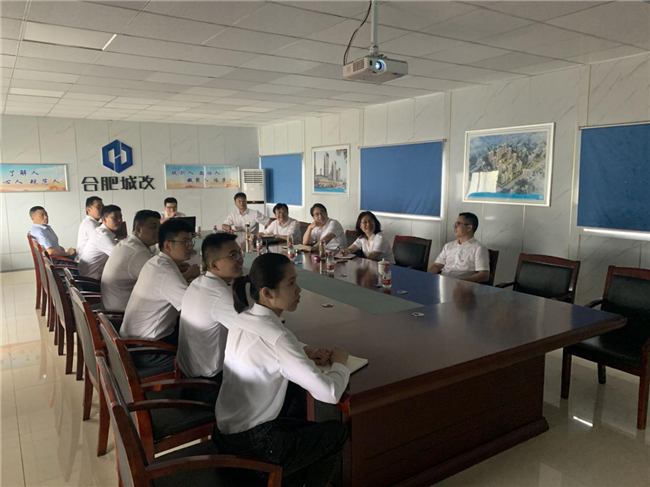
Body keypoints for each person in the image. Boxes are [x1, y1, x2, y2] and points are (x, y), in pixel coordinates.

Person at [214, 253, 350, 487]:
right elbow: (329, 393)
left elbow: (272, 346)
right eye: (291, 283)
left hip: (224, 436)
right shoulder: (278, 338)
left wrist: (304, 350)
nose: (299, 290)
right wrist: (340, 363)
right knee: (335, 434)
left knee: (296, 402)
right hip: (255, 446)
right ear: (267, 293)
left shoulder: (243, 319)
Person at [120, 219, 200, 346]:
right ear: (168, 245)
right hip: (147, 346)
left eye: (191, 241)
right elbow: (195, 309)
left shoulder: (156, 262)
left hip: (134, 336)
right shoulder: (167, 273)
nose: (190, 246)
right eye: (185, 242)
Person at [177, 233, 243, 383]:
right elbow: (251, 332)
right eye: (233, 255)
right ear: (214, 265)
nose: (240, 259)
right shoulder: (219, 295)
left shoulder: (199, 282)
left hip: (189, 369)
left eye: (239, 253)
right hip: (208, 380)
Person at [100, 210, 160, 312]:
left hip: (111, 306)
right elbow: (160, 283)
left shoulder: (127, 243)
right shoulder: (138, 252)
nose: (158, 232)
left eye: (159, 228)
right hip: (120, 313)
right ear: (138, 229)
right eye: (153, 227)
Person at [428, 212, 489, 283]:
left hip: (461, 286)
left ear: (469, 228)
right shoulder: (448, 246)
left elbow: (484, 275)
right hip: (443, 282)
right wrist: (428, 276)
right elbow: (437, 265)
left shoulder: (479, 248)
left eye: (458, 224)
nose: (455, 227)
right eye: (455, 224)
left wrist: (462, 282)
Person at [78, 205, 122, 280]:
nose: (119, 220)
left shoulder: (101, 231)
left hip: (90, 276)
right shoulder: (103, 236)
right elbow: (121, 257)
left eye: (120, 217)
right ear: (104, 219)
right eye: (115, 218)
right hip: (93, 281)